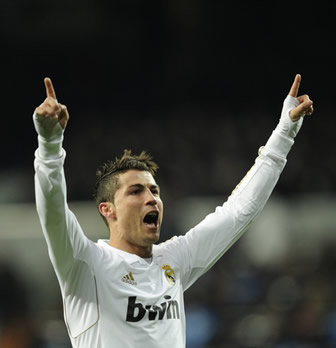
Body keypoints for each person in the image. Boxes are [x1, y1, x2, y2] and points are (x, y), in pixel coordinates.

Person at [33, 74, 314, 348]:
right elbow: (54, 210)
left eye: (154, 191)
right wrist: (49, 145)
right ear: (107, 209)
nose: (152, 198)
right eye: (136, 191)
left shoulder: (175, 259)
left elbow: (238, 211)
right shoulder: (86, 263)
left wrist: (284, 132)